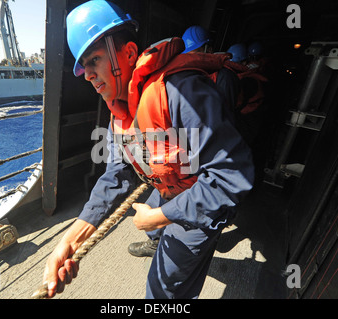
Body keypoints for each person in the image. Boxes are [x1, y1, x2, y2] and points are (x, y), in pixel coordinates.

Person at [42, 1, 254, 299]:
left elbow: (231, 177)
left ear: (128, 53)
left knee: (161, 290)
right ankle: (158, 236)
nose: (88, 74)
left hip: (203, 198)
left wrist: (161, 216)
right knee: (155, 227)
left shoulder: (182, 93)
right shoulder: (121, 112)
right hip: (172, 183)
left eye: (95, 60)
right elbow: (117, 175)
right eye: (84, 67)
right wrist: (70, 240)